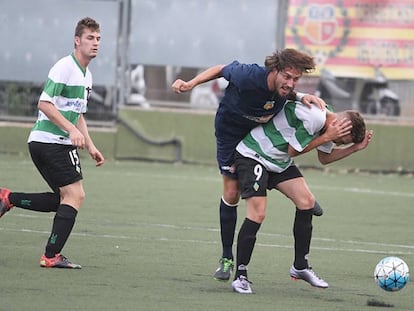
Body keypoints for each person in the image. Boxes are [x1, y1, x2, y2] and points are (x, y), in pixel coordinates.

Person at [171, 49, 352, 280]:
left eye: (295, 79)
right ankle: (227, 257)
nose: (290, 83)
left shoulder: (285, 88)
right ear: (274, 70)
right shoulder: (250, 76)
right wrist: (190, 84)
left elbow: (288, 93)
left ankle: (302, 200)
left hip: (258, 133)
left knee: (275, 171)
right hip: (230, 133)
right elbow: (220, 69)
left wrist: (299, 96)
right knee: (232, 192)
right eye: (287, 76)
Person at [231, 100, 374, 293]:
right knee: (258, 213)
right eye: (342, 140)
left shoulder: (330, 125)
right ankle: (240, 275)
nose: (339, 143)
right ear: (341, 126)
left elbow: (324, 158)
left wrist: (354, 148)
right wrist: (327, 138)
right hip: (254, 154)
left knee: (306, 202)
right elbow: (293, 150)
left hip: (278, 161)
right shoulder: (315, 118)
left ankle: (300, 266)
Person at [0, 17, 104, 269]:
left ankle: (8, 198)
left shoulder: (86, 75)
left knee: (63, 199)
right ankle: (51, 255)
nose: (95, 43)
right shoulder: (64, 67)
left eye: (98, 39)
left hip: (52, 143)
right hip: (50, 141)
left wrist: (90, 145)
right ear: (77, 40)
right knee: (75, 195)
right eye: (90, 38)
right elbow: (44, 104)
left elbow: (77, 113)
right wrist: (69, 130)